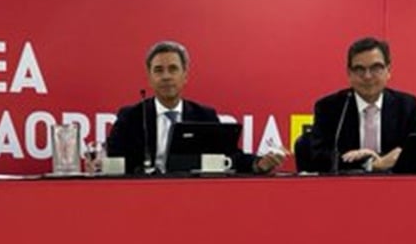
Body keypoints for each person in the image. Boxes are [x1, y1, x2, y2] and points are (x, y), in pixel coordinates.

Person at [105, 40, 285, 175]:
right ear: (150, 78)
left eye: (173, 69)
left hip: (193, 195)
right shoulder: (130, 117)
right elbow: (113, 161)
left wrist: (258, 164)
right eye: (158, 70)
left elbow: (229, 157)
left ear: (185, 75)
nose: (166, 76)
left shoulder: (204, 116)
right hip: (144, 197)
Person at [297, 36, 416, 173]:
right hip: (346, 185)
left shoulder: (406, 106)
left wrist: (383, 161)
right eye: (359, 69)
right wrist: (369, 164)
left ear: (388, 71)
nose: (367, 76)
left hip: (395, 184)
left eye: (376, 68)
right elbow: (318, 159)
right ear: (349, 74)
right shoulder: (329, 108)